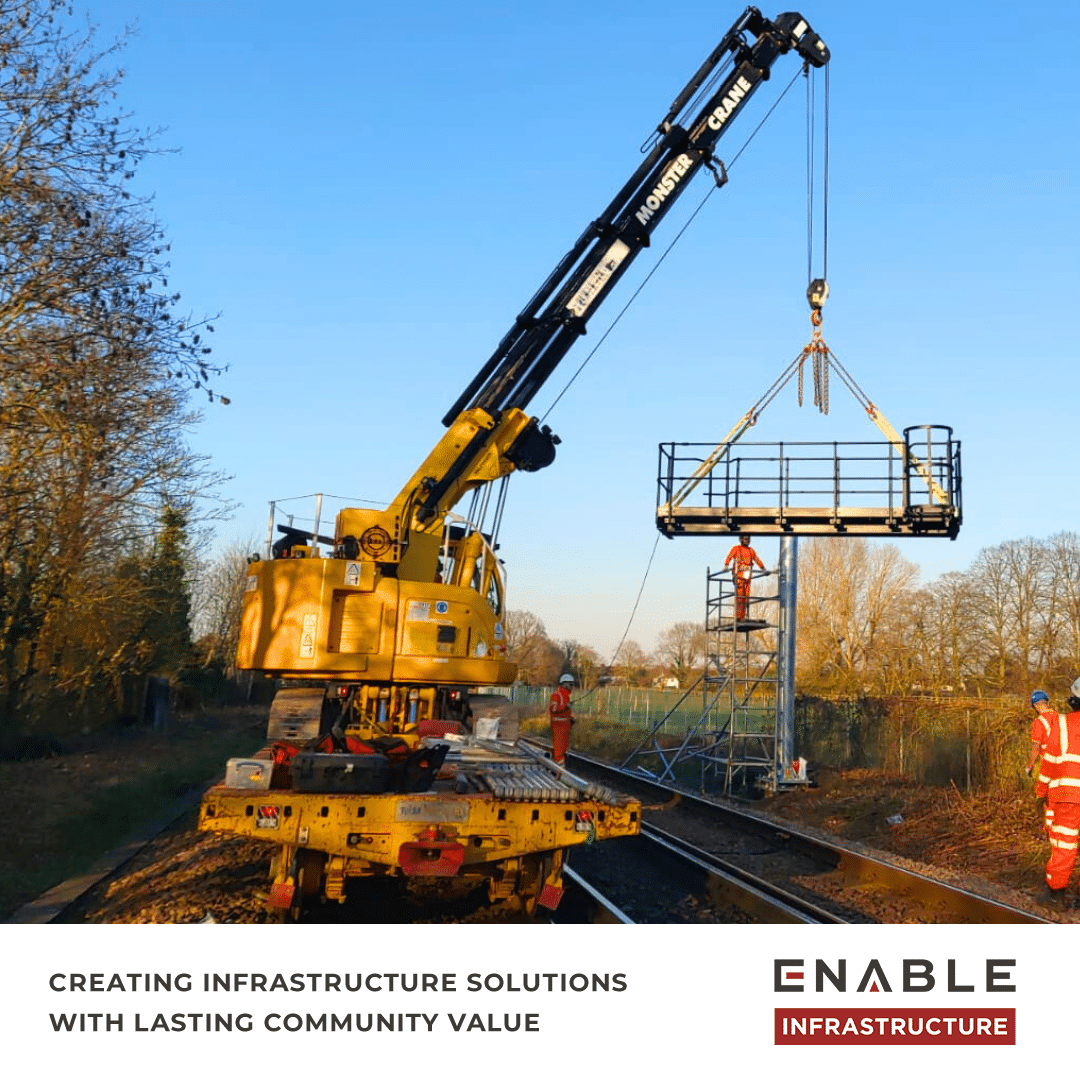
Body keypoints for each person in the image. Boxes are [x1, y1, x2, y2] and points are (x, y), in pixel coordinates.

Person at [1035, 677, 1080, 900]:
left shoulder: (1061, 724)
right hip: (1067, 795)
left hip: (1067, 795)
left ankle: (1055, 892)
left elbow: (1049, 762)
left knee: (1064, 843)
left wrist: (1041, 792)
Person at [724, 534, 765, 620]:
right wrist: (726, 565)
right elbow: (729, 556)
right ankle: (739, 616)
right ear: (741, 539)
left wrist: (763, 568)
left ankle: (743, 616)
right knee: (740, 597)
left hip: (747, 577)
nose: (747, 540)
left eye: (748, 539)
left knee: (746, 597)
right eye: (745, 539)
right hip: (739, 576)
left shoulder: (751, 551)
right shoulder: (736, 549)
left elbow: (757, 560)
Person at [548, 673, 575, 766]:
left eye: (572, 684)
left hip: (565, 725)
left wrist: (571, 719)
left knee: (563, 747)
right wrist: (565, 706)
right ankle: (558, 768)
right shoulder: (557, 695)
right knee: (559, 748)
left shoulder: (566, 696)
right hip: (558, 726)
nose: (572, 686)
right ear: (564, 684)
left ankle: (559, 766)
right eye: (570, 684)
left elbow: (565, 712)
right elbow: (553, 709)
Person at [1026, 689, 1053, 777]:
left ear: (1035, 706)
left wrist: (1030, 766)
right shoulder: (1059, 716)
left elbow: (1036, 747)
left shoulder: (1039, 722)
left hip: (1048, 762)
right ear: (1047, 703)